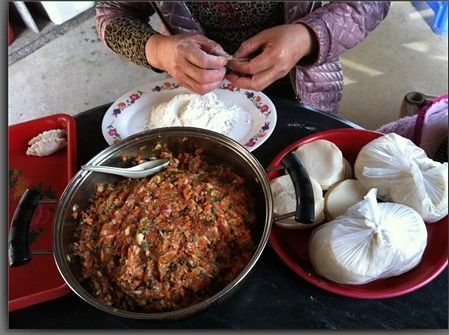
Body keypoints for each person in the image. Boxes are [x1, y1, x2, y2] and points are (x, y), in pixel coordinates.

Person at [96, 1, 390, 114]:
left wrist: (306, 37)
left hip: (305, 87)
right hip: (202, 96)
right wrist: (160, 50)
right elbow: (112, 12)